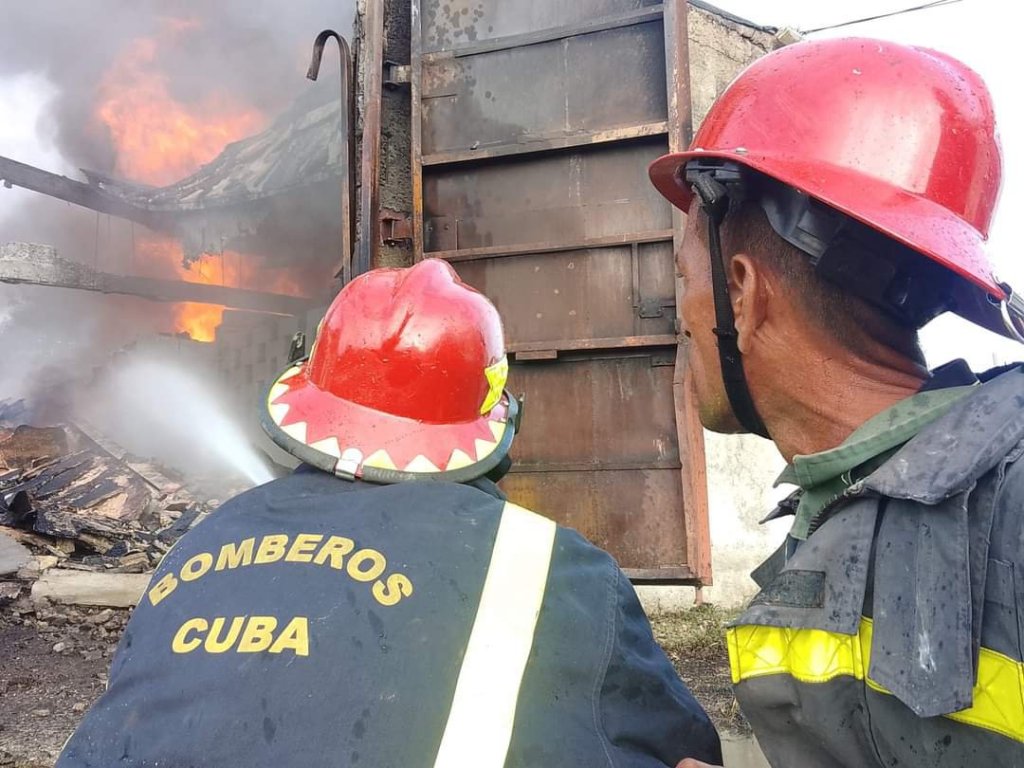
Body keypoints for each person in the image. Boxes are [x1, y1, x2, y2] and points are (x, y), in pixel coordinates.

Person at [56, 258, 722, 767]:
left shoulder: (202, 543)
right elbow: (681, 749)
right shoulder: (557, 572)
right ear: (495, 409)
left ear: (310, 392)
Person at [648, 37, 1024, 768]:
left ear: (741, 292)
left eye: (683, 278)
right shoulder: (852, 508)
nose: (681, 317)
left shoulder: (1008, 503)